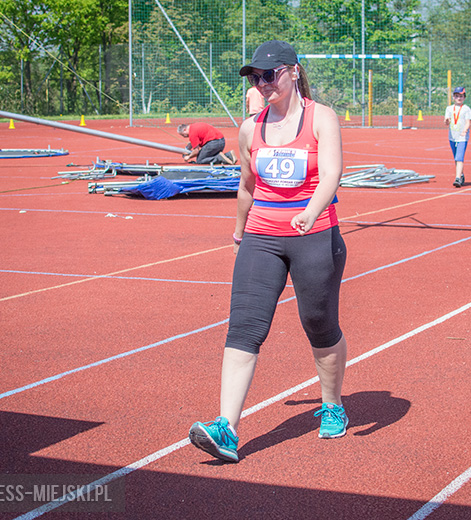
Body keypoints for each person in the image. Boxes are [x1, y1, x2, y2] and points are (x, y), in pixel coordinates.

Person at [188, 40, 348, 463]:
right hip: (262, 237)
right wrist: (239, 231)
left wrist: (311, 211)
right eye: (255, 77)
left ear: (293, 72)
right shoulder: (249, 128)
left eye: (269, 75)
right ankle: (226, 427)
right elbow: (247, 186)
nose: (262, 84)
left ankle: (332, 404)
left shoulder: (321, 117)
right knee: (244, 327)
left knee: (319, 323)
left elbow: (332, 173)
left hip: (315, 236)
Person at [443, 86, 471, 188]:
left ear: (464, 97)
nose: (459, 98)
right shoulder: (449, 108)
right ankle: (461, 174)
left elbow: (468, 121)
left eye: (461, 96)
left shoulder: (466, 109)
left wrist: (465, 130)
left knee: (459, 157)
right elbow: (446, 121)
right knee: (456, 158)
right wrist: (446, 121)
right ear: (453, 97)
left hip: (462, 137)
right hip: (452, 136)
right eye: (456, 96)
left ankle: (457, 178)